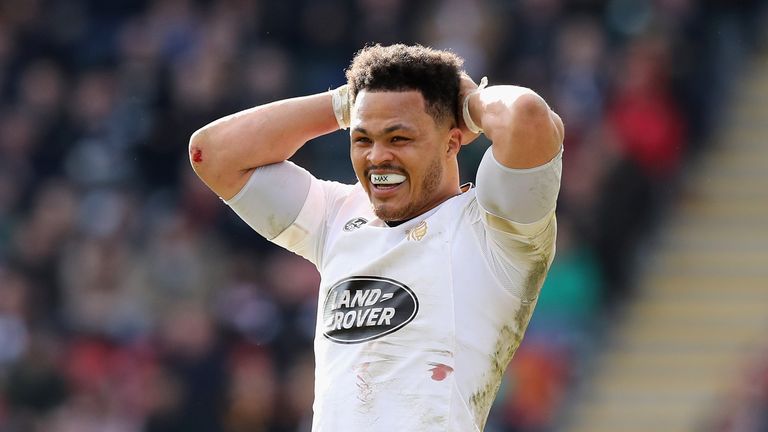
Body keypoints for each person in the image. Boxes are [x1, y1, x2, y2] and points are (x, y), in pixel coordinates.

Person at [189, 43, 564, 431]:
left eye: (398, 138)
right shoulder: (336, 217)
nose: (377, 157)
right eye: (362, 139)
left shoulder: (495, 232)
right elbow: (211, 153)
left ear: (452, 142)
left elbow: (527, 117)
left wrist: (467, 103)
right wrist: (344, 104)